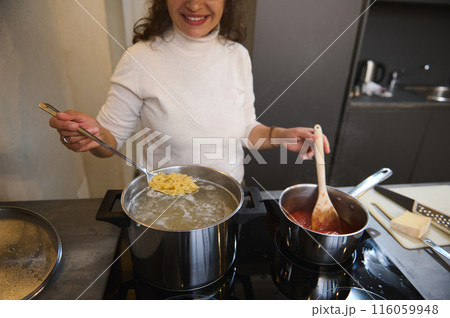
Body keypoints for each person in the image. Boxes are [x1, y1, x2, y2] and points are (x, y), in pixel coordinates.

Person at [49, 0, 330, 184]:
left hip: (228, 193)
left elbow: (245, 130)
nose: (194, 5)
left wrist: (282, 136)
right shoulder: (140, 58)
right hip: (163, 198)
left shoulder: (237, 56)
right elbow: (109, 141)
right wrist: (91, 135)